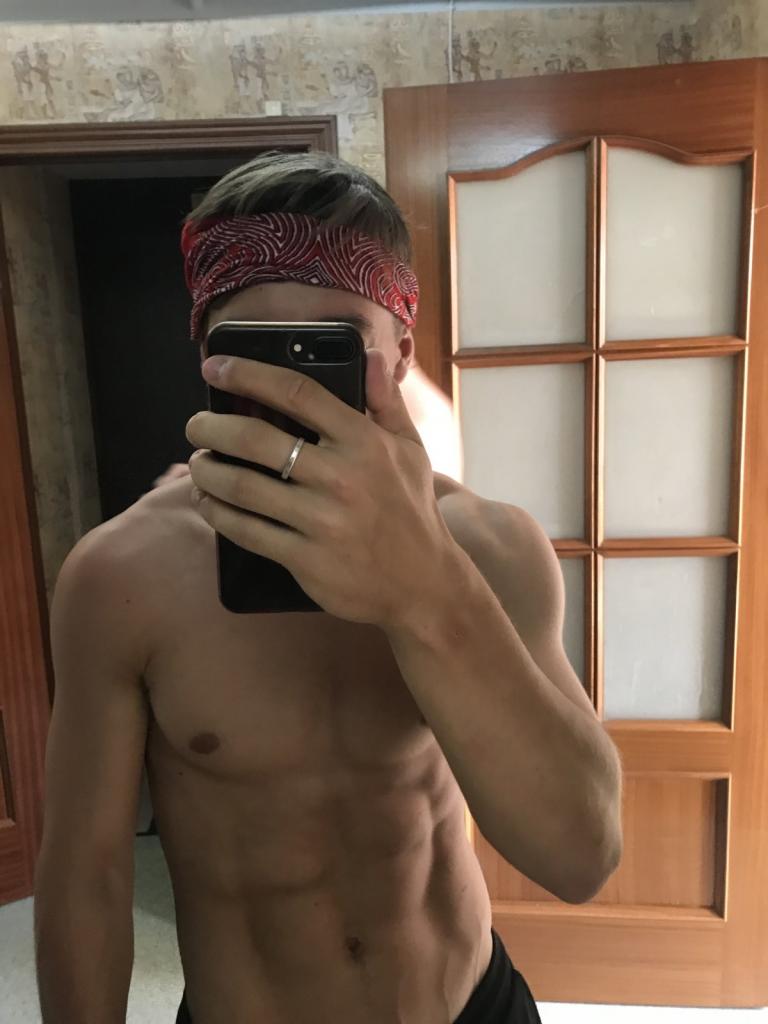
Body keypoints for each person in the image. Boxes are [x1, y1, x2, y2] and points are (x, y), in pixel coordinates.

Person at [33, 151, 623, 1024]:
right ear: (207, 358)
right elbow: (86, 874)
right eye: (256, 350)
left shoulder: (488, 549)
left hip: (468, 1003)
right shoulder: (120, 577)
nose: (295, 392)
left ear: (401, 353)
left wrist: (426, 590)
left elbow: (583, 855)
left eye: (331, 350)